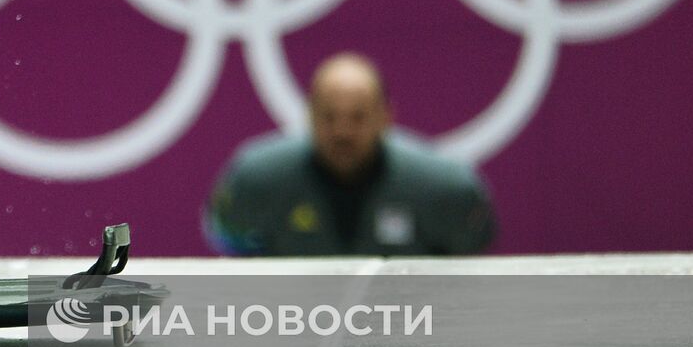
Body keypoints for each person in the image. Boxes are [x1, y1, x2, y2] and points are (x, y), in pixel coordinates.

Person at [205, 53, 495, 256]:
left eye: (357, 117)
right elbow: (229, 241)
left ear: (385, 117)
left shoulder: (446, 189)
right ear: (309, 116)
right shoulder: (255, 179)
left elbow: (467, 257)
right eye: (329, 116)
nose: (342, 132)